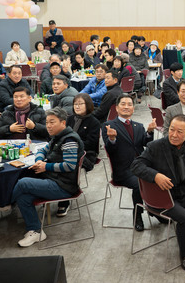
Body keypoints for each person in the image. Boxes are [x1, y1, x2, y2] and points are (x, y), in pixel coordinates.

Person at [130, 114, 185, 273]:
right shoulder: (155, 147)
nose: (174, 135)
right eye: (172, 130)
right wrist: (155, 175)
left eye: (180, 132)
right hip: (163, 198)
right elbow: (136, 166)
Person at [11, 107, 85, 247]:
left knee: (23, 183)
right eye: (46, 122)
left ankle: (5, 203)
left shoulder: (69, 140)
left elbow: (69, 166)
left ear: (63, 123)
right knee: (23, 197)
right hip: (54, 180)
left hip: (63, 186)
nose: (48, 126)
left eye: (52, 122)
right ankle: (36, 231)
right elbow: (42, 150)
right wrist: (39, 160)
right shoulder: (57, 137)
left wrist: (46, 166)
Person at [102, 94, 157, 231]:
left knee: (161, 177)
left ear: (133, 108)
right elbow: (110, 150)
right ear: (116, 108)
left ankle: (155, 209)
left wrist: (149, 132)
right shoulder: (109, 126)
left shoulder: (138, 125)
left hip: (141, 167)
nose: (126, 107)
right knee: (140, 183)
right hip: (123, 170)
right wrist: (112, 139)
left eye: (130, 104)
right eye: (123, 104)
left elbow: (145, 143)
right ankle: (137, 216)